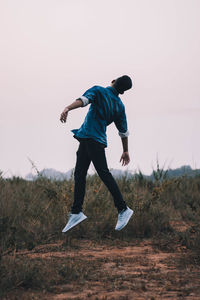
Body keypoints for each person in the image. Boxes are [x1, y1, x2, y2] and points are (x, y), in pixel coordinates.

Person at [60, 75, 133, 232]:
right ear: (122, 92)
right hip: (88, 138)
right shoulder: (119, 106)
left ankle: (123, 209)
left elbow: (83, 100)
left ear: (113, 81)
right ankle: (76, 212)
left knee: (103, 173)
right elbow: (123, 131)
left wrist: (67, 108)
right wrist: (125, 150)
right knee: (79, 174)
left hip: (92, 139)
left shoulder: (99, 91)